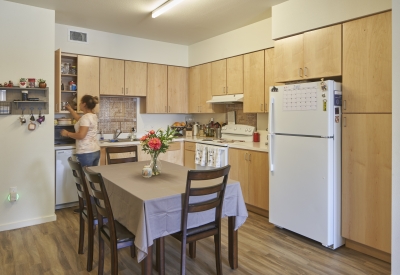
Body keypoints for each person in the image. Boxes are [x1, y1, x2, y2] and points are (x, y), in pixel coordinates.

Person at [60, 95, 100, 167]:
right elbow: (80, 119)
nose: (79, 104)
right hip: (95, 151)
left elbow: (81, 135)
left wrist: (67, 133)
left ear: (84, 104)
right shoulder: (93, 115)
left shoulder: (86, 117)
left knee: (85, 177)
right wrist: (71, 110)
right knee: (92, 177)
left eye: (80, 102)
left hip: (86, 152)